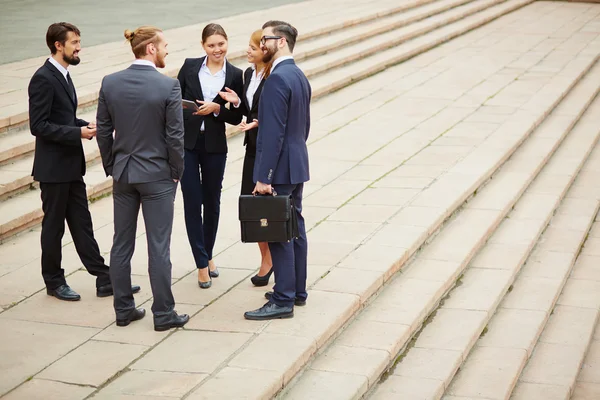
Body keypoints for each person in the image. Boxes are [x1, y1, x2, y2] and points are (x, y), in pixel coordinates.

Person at [28, 22, 139, 302]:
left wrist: (84, 125)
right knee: (54, 227)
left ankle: (104, 278)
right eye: (74, 42)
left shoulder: (63, 75)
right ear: (58, 45)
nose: (79, 47)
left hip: (70, 167)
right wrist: (77, 132)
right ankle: (53, 281)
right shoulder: (43, 78)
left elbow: (60, 118)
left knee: (82, 223)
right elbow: (39, 126)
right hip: (53, 170)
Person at [96, 26, 188, 331]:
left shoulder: (110, 83)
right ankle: (163, 313)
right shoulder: (168, 86)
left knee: (121, 244)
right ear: (150, 48)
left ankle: (123, 310)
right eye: (164, 46)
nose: (166, 51)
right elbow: (175, 136)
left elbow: (103, 130)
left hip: (124, 173)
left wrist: (112, 165)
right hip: (158, 175)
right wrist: (177, 172)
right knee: (158, 246)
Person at [243, 20, 311, 320]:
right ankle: (296, 290)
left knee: (279, 232)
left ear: (280, 42)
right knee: (296, 228)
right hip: (296, 163)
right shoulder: (298, 75)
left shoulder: (277, 79)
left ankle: (282, 299)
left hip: (279, 169)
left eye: (266, 39)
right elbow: (303, 126)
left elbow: (273, 134)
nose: (261, 45)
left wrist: (263, 177)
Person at [176, 23, 244, 289]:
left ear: (227, 42)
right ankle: (202, 265)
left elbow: (238, 115)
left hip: (215, 145)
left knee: (212, 202)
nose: (217, 49)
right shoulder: (190, 66)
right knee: (192, 201)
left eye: (221, 44)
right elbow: (175, 100)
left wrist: (219, 108)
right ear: (203, 46)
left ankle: (207, 253)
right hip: (188, 145)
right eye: (211, 45)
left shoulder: (236, 74)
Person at [239, 30, 273, 286]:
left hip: (267, 148)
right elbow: (248, 108)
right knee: (252, 206)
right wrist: (235, 102)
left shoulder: (274, 77)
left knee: (268, 206)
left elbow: (274, 115)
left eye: (253, 47)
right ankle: (266, 256)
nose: (248, 50)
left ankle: (271, 260)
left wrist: (259, 123)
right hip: (251, 148)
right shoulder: (248, 73)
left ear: (265, 50)